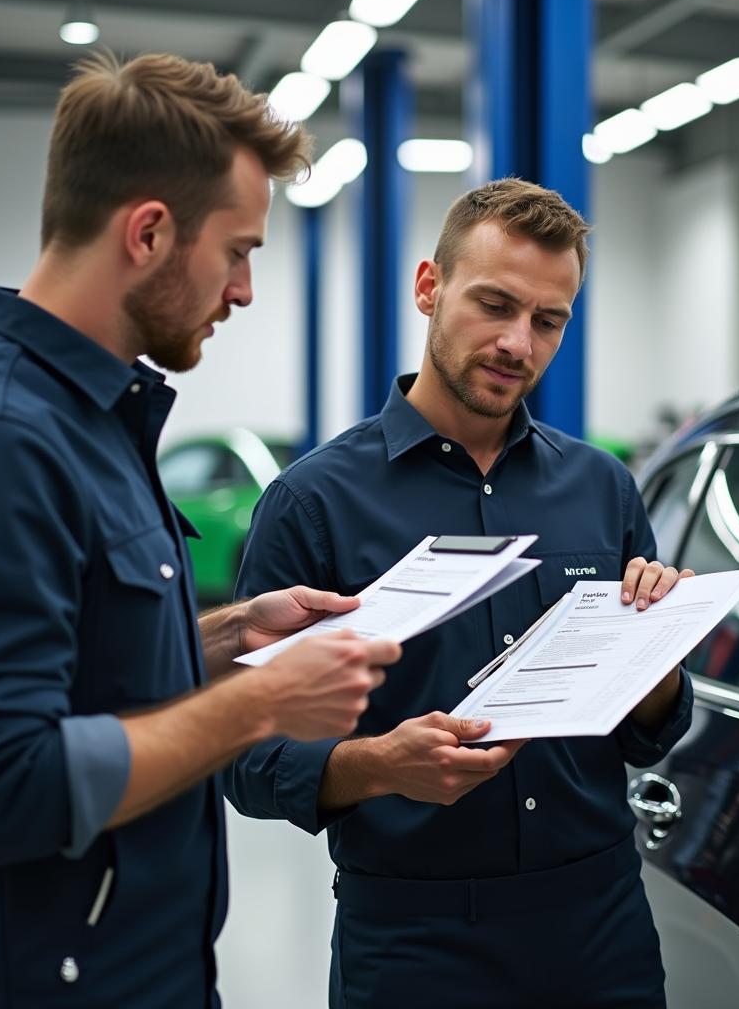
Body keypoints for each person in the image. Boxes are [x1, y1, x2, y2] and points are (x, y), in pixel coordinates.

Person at [0, 52, 400, 1009]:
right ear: (149, 232)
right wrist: (264, 704)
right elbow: (7, 786)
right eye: (237, 251)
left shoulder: (89, 421)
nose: (242, 291)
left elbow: (72, 669)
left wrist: (228, 639)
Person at [230, 178, 695, 1008]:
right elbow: (246, 756)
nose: (518, 342)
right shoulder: (315, 503)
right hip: (415, 937)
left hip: (601, 925)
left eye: (548, 321)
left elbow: (646, 737)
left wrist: (658, 660)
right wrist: (377, 767)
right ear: (427, 288)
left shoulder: (602, 490)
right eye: (494, 305)